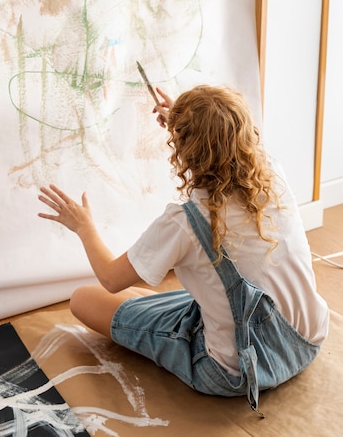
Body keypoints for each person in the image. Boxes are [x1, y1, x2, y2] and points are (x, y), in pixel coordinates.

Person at [38, 84, 329, 416]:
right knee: (145, 295)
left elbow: (110, 278)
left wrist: (84, 228)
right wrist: (194, 122)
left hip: (234, 372)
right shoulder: (274, 175)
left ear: (183, 150)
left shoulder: (184, 222)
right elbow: (223, 136)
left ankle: (155, 320)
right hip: (308, 338)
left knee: (84, 299)